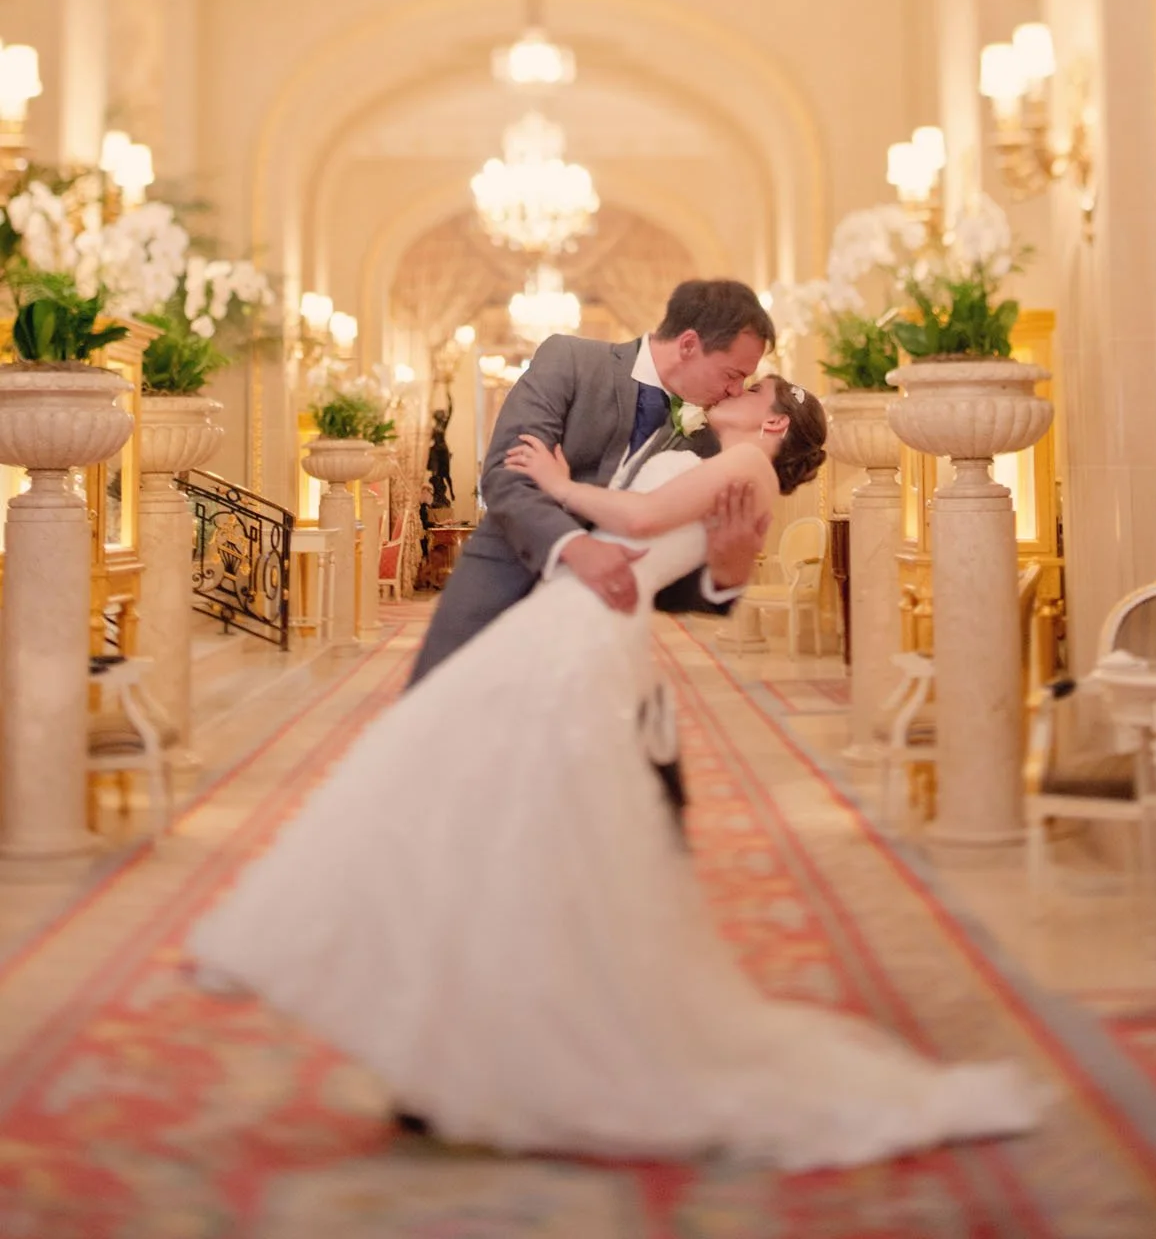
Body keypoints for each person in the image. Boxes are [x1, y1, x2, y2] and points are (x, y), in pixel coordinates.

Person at [188, 374, 1038, 1168]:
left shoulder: (744, 460)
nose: (737, 386)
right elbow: (718, 566)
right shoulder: (735, 465)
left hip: (584, 634)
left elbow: (637, 525)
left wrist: (556, 484)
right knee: (501, 819)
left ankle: (472, 1036)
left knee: (477, 805)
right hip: (579, 628)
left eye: (756, 387)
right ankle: (468, 1040)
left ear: (772, 423)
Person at [406, 279, 776, 687]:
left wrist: (726, 577)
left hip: (595, 641)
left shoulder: (709, 443)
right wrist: (576, 547)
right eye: (732, 373)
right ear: (689, 344)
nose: (735, 390)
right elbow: (507, 475)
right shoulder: (571, 359)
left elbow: (664, 576)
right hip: (500, 591)